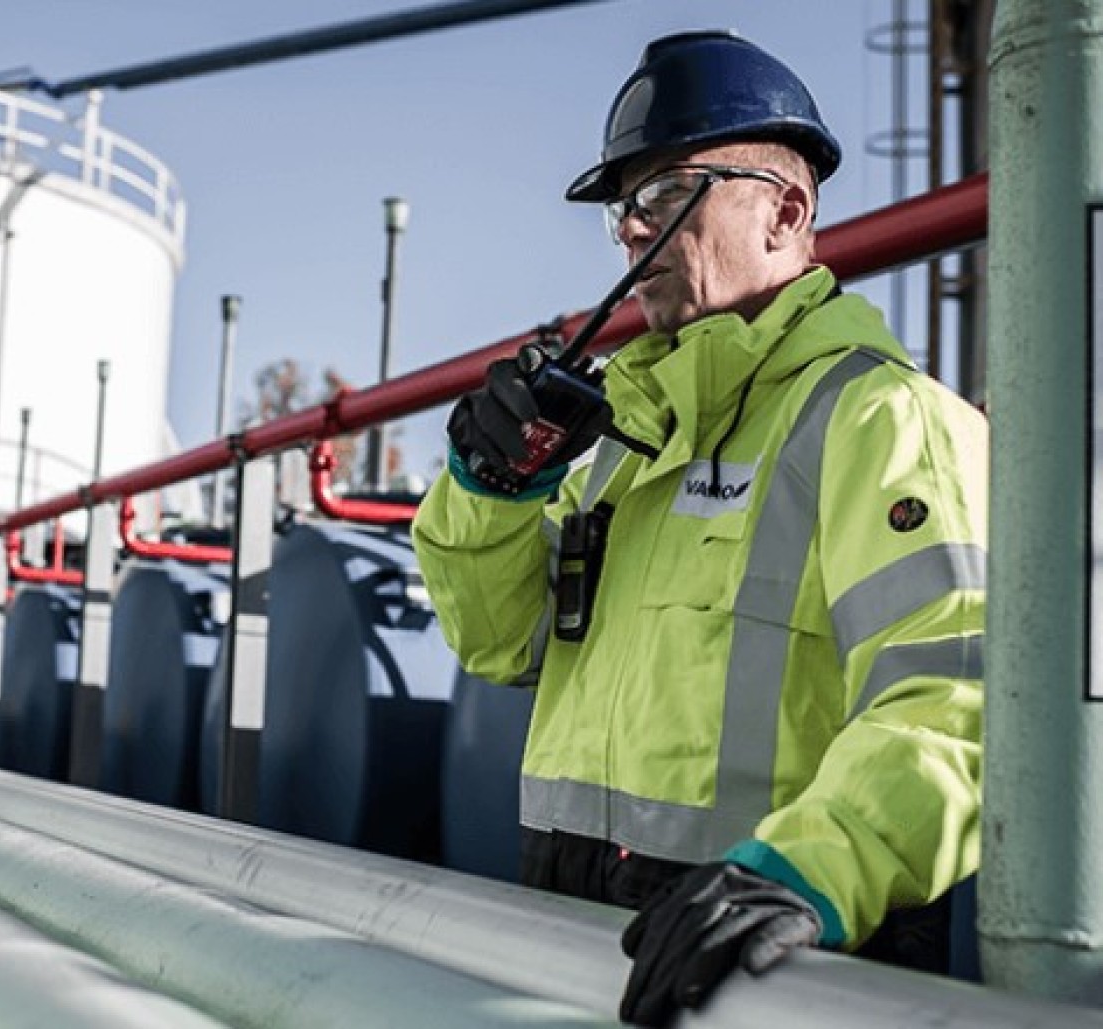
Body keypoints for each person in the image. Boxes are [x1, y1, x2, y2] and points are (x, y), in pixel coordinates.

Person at [412, 30, 985, 1027]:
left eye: (665, 195)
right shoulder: (620, 437)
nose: (633, 233)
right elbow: (497, 646)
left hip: (770, 965)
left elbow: (960, 705)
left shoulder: (882, 422)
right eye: (622, 212)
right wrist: (490, 491)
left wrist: (808, 870)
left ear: (786, 212)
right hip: (566, 948)